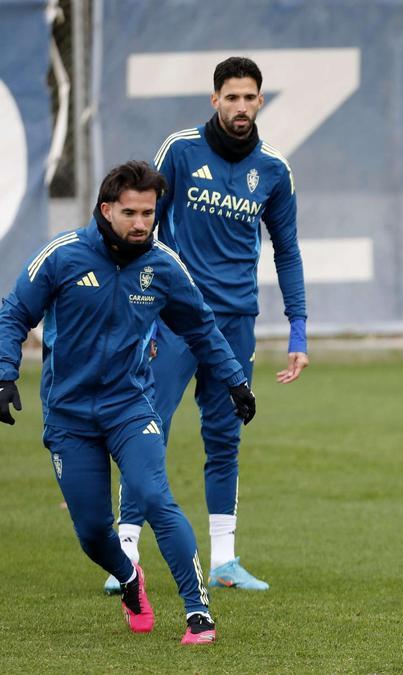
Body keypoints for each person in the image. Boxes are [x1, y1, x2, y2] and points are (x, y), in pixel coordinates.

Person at [0, 161, 257, 643]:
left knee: (156, 497)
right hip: (69, 417)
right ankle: (129, 576)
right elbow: (14, 312)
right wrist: (3, 373)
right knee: (94, 531)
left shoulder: (162, 264)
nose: (142, 224)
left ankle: (197, 610)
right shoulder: (63, 256)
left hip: (131, 408)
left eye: (149, 213)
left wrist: (235, 381)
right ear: (106, 210)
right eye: (130, 213)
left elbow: (201, 327)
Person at [104, 57, 308, 594]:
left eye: (250, 97)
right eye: (231, 96)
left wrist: (298, 329)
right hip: (174, 319)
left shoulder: (274, 172)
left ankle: (224, 560)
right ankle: (124, 556)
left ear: (260, 102)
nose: (241, 106)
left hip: (237, 323)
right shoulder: (180, 150)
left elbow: (286, 252)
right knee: (147, 426)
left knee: (224, 436)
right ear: (214, 99)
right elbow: (137, 219)